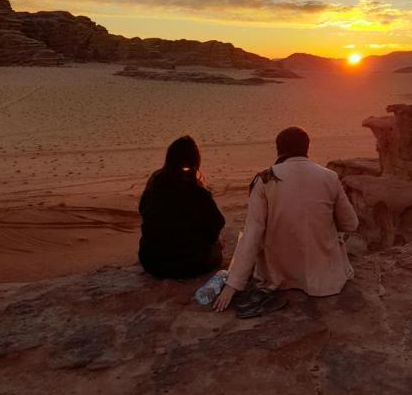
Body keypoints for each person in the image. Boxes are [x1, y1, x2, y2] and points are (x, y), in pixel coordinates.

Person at [213, 126, 359, 316]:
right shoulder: (329, 177)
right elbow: (351, 224)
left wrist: (233, 284)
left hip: (278, 277)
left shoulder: (265, 179)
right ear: (307, 148)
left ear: (278, 150)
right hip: (324, 279)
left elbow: (253, 235)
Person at [138, 135, 225, 279]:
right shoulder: (198, 192)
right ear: (196, 161)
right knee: (217, 244)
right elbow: (218, 223)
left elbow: (142, 210)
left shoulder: (154, 184)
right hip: (190, 265)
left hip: (151, 263)